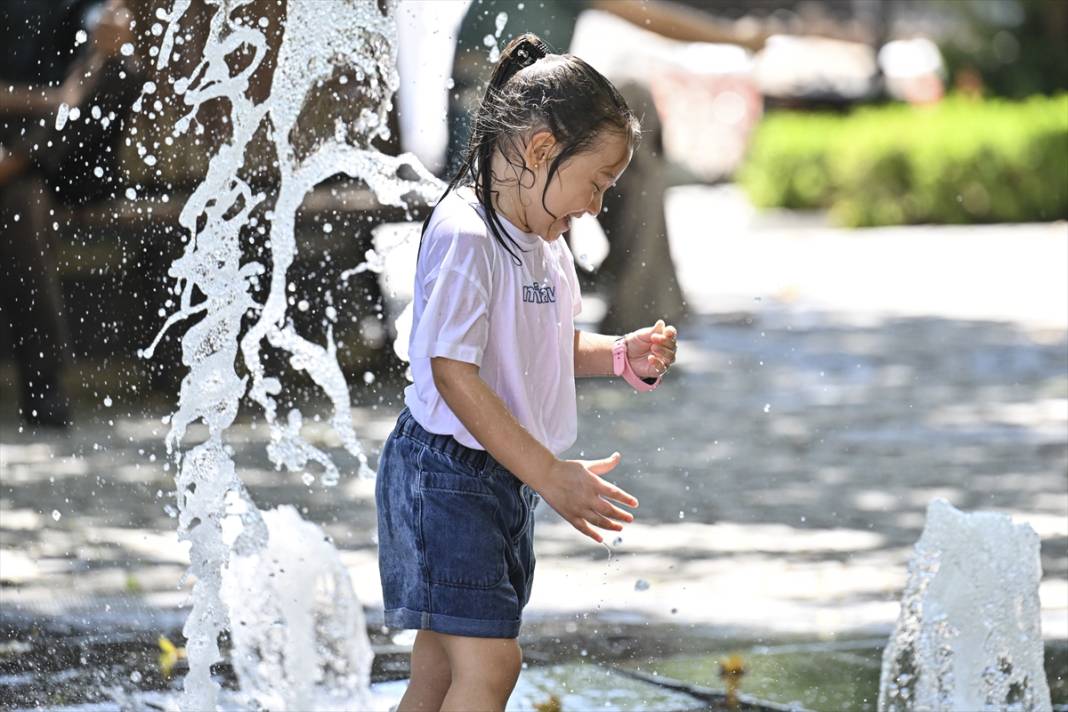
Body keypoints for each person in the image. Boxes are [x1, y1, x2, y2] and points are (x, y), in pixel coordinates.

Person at [375, 34, 678, 711]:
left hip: (499, 477)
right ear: (541, 150)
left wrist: (618, 355)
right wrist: (547, 472)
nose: (598, 206)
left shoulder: (543, 244)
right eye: (595, 184)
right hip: (446, 474)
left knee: (440, 669)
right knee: (491, 664)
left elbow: (540, 345)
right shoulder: (467, 235)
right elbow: (452, 371)